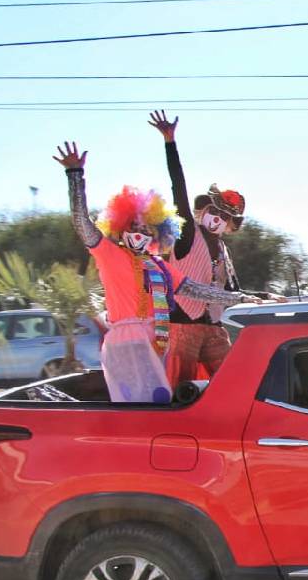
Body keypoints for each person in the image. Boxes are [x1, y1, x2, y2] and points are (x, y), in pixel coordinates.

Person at [54, 141, 261, 403]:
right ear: (120, 229)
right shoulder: (110, 254)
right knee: (141, 404)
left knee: (162, 401)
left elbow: (196, 290)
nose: (140, 234)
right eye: (134, 228)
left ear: (155, 234)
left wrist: (242, 298)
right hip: (127, 343)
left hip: (159, 341)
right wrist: (75, 176)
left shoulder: (159, 265)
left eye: (146, 230)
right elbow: (82, 224)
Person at [147, 110, 284, 386]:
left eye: (225, 218)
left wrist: (266, 296)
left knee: (234, 383)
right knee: (178, 390)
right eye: (215, 212)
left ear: (231, 225)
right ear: (204, 210)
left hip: (213, 328)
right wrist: (170, 143)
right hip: (182, 327)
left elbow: (230, 293)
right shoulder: (187, 234)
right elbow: (179, 189)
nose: (218, 220)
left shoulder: (223, 252)